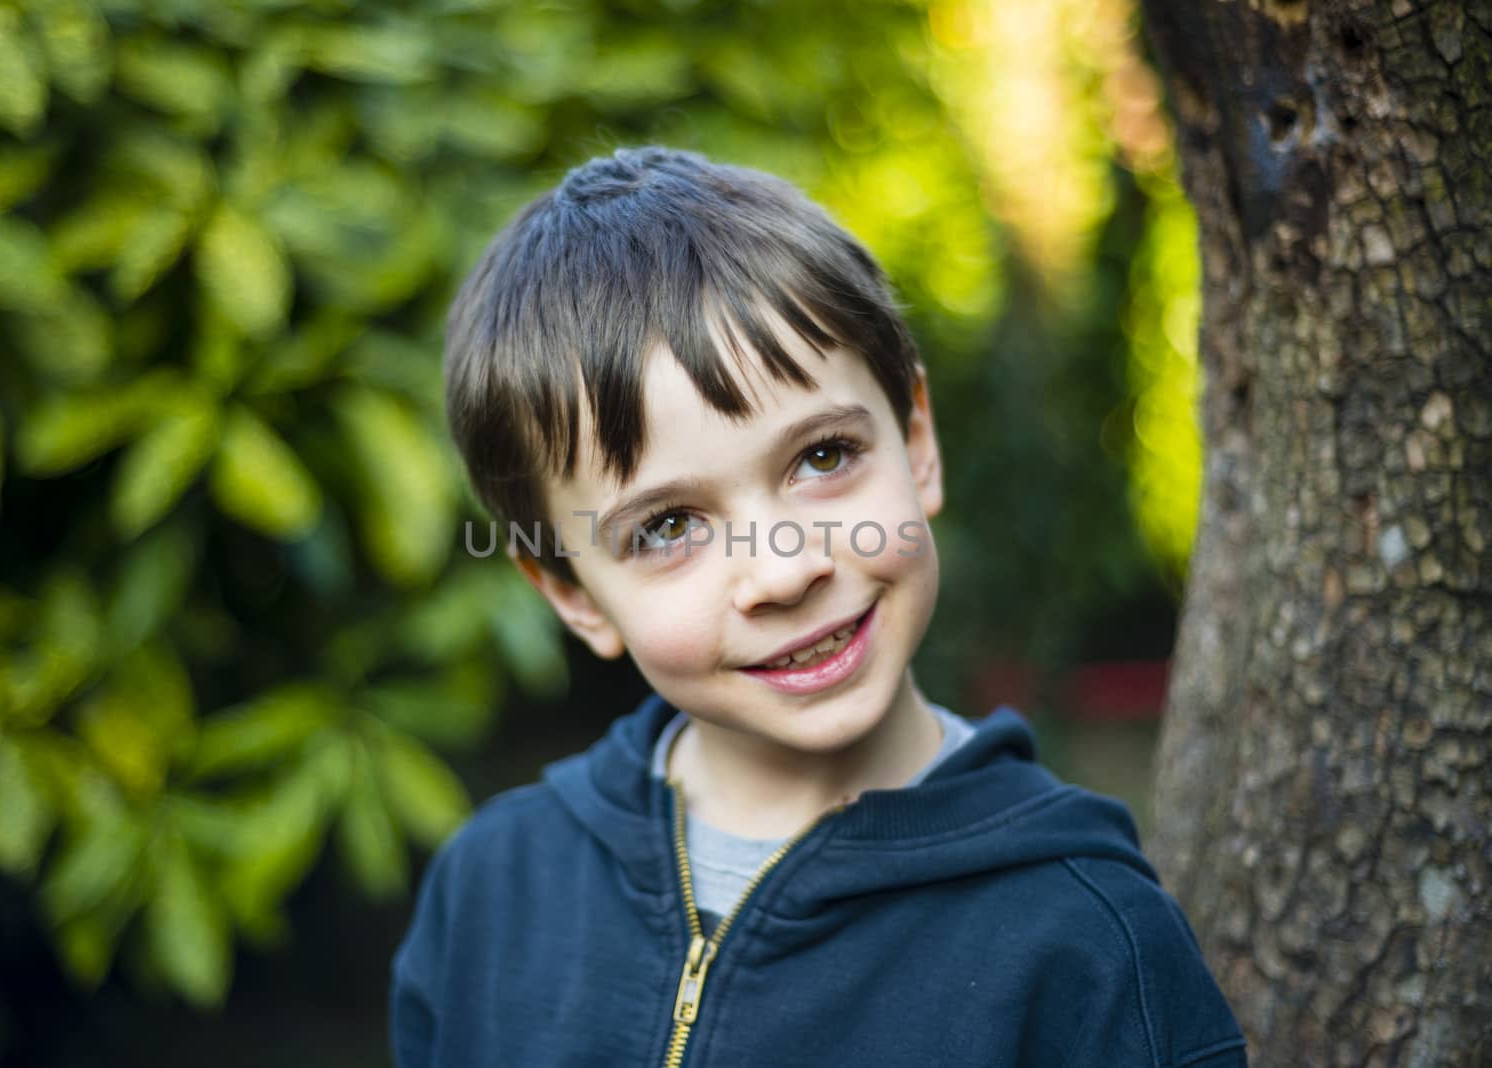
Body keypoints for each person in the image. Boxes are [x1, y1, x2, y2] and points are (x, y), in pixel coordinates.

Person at [389, 146, 1247, 1067]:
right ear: (572, 595)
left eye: (823, 459)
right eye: (669, 525)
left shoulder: (1086, 941)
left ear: (916, 443)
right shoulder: (492, 892)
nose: (782, 571)